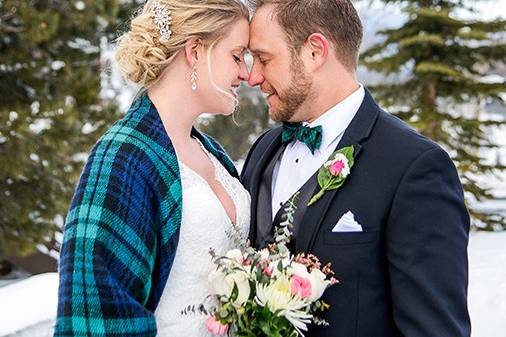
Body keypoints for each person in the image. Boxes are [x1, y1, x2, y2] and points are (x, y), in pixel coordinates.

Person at [241, 0, 471, 336]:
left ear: (315, 51)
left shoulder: (414, 167)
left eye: (263, 58)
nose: (252, 76)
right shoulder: (263, 150)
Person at [53, 0, 250, 336]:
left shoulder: (213, 153)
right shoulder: (122, 155)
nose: (246, 72)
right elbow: (98, 313)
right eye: (236, 55)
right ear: (194, 51)